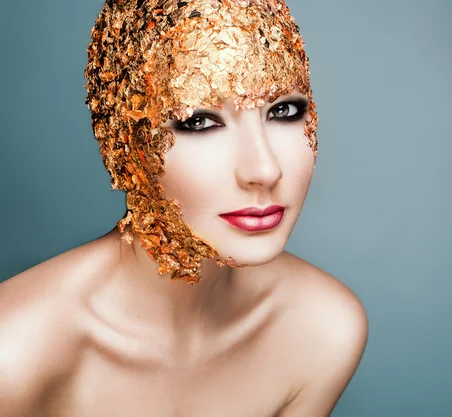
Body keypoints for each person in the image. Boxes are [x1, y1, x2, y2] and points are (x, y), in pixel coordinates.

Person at [0, 0, 368, 416]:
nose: (264, 170)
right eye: (200, 121)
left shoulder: (322, 328)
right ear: (125, 142)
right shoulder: (14, 352)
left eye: (283, 111)